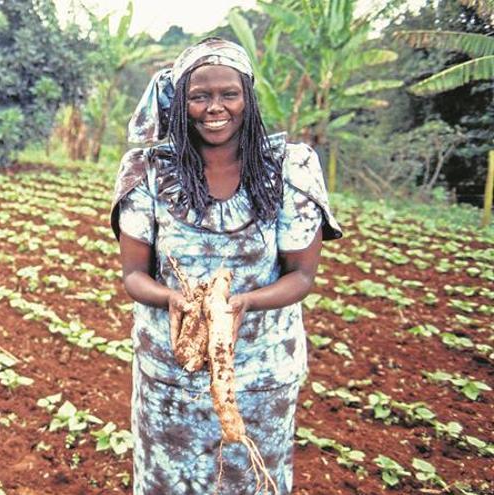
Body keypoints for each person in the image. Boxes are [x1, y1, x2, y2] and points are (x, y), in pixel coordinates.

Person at [109, 37, 342, 494]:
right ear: (181, 103)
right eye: (199, 96)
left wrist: (245, 303)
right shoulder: (147, 172)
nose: (215, 107)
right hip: (170, 375)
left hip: (260, 375)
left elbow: (302, 275)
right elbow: (134, 274)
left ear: (247, 98)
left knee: (252, 480)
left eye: (228, 94)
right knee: (166, 481)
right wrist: (171, 298)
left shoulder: (290, 169)